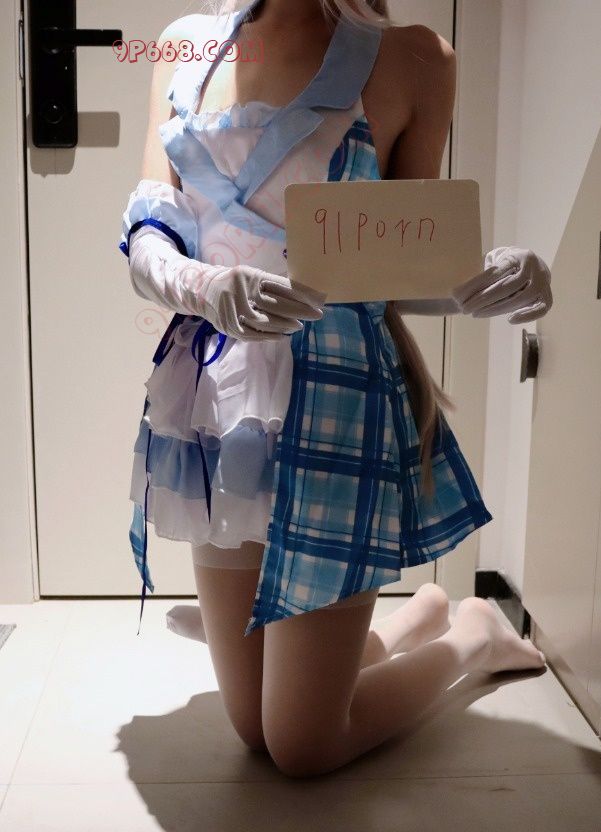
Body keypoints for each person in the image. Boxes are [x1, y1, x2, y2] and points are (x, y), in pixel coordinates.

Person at [118, 0, 553, 778]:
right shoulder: (184, 46)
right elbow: (148, 233)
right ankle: (414, 621)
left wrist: (481, 282)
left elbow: (399, 266)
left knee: (303, 746)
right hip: (214, 405)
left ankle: (471, 636)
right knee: (254, 731)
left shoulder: (415, 58)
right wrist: (200, 283)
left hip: (336, 401)